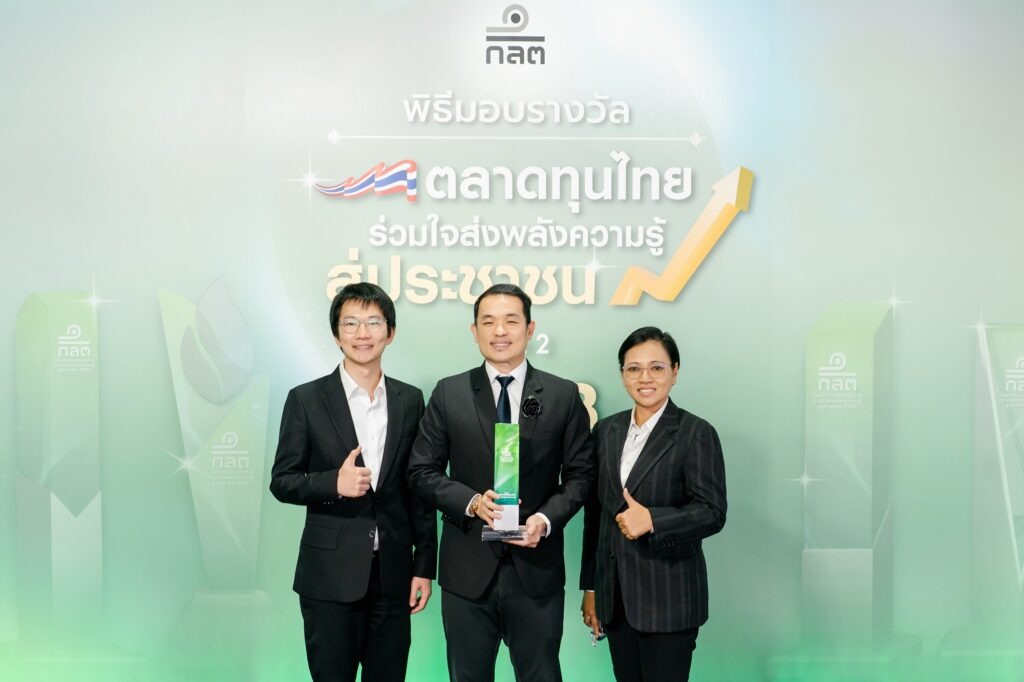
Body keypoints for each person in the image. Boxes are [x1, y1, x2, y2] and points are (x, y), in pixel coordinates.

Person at [407, 283, 594, 682]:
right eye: (488, 321)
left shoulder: (562, 395)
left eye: (511, 320)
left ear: (530, 328)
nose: (500, 331)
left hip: (536, 572)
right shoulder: (449, 393)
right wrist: (472, 502)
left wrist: (544, 520)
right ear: (474, 331)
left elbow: (582, 475)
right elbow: (421, 471)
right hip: (466, 572)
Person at [270, 282, 436, 682]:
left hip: (393, 575)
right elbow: (282, 481)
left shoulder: (410, 400)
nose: (363, 333)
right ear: (336, 334)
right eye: (351, 323)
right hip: (329, 576)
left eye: (374, 322)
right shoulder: (306, 399)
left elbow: (420, 488)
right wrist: (334, 483)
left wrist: (424, 566)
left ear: (390, 333)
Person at [580, 327, 727, 682]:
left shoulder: (695, 432)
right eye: (634, 369)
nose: (645, 378)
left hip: (669, 600)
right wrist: (592, 588)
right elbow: (595, 517)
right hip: (616, 600)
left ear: (675, 372)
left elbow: (712, 511)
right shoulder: (606, 431)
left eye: (656, 368)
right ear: (622, 375)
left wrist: (653, 520)